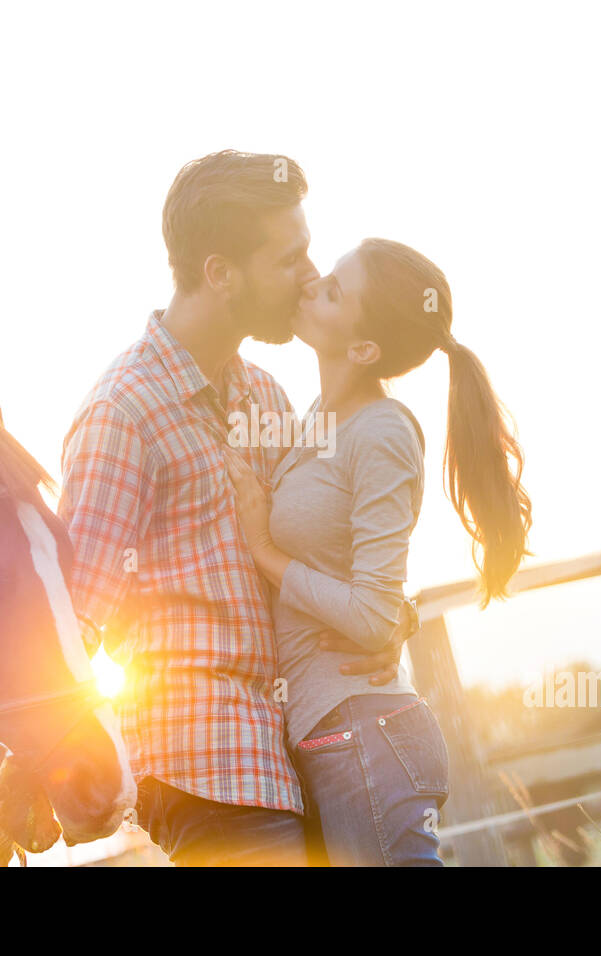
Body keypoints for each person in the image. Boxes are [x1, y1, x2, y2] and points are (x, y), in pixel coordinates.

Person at [58, 151, 406, 866]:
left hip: (305, 743)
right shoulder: (122, 414)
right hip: (205, 762)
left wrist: (384, 618)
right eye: (290, 259)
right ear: (221, 274)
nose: (311, 275)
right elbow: (73, 620)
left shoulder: (268, 396)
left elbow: (324, 552)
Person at [224, 237, 532, 865]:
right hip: (333, 733)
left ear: (364, 348)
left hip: (364, 731)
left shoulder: (383, 432)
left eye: (334, 290)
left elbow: (371, 612)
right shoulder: (313, 418)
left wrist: (263, 548)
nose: (311, 284)